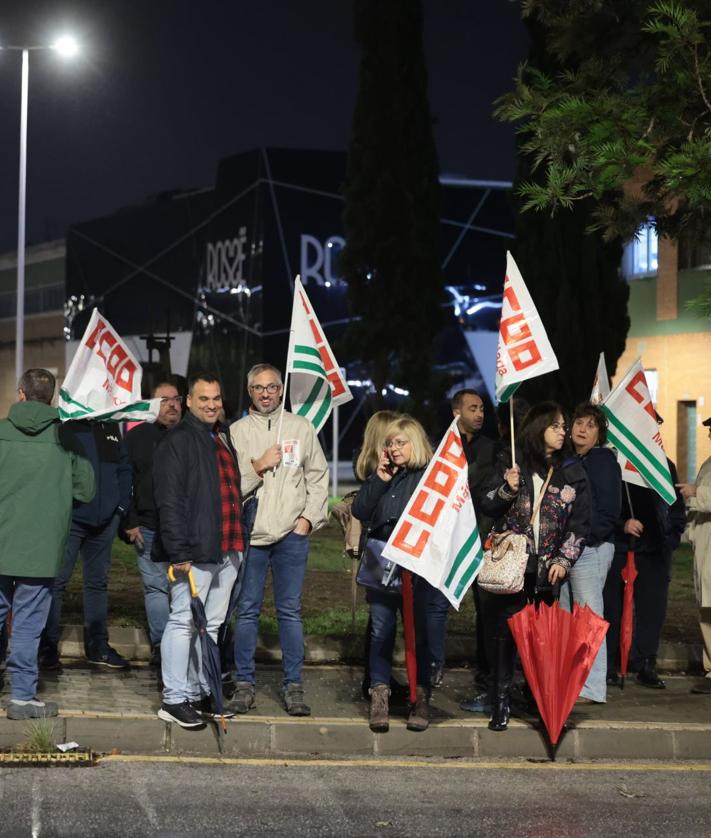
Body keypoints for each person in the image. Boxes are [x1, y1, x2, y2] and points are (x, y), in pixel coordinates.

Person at [478, 402, 591, 731]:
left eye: (563, 427)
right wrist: (507, 488)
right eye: (555, 426)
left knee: (541, 639)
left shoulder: (572, 470)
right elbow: (487, 503)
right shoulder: (510, 463)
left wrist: (563, 559)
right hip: (514, 567)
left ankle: (538, 699)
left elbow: (581, 523)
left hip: (547, 571)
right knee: (504, 635)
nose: (563, 432)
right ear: (538, 428)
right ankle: (500, 702)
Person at [229, 363, 329, 717]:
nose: (266, 393)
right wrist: (256, 466)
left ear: (281, 391)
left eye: (272, 387)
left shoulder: (300, 428)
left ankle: (293, 686)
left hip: (291, 536)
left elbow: (318, 478)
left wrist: (308, 520)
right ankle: (244, 684)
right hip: (251, 537)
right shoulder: (237, 432)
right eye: (258, 388)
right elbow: (228, 488)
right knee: (247, 612)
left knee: (289, 611)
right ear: (250, 392)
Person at [0, 369, 95, 719]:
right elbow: (86, 490)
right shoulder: (67, 438)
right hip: (41, 549)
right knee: (27, 623)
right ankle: (22, 698)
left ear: (21, 394)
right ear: (52, 398)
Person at [153, 373, 244, 729]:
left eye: (216, 398)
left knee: (211, 625)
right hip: (195, 551)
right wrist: (178, 552)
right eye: (204, 398)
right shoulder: (178, 440)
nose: (211, 404)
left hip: (227, 548)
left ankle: (195, 691)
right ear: (188, 401)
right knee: (183, 620)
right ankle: (173, 699)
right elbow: (169, 501)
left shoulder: (221, 436)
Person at [352, 415, 437, 733]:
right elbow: (360, 510)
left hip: (416, 559)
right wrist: (379, 478)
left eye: (400, 442)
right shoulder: (384, 472)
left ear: (415, 443)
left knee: (419, 631)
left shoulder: (429, 475)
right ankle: (380, 696)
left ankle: (421, 696)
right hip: (380, 553)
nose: (393, 447)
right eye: (389, 442)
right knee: (380, 629)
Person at [41, 412, 133, 670]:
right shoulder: (65, 426)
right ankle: (47, 648)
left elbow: (124, 467)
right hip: (71, 520)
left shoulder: (110, 426)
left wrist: (120, 509)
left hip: (105, 521)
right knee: (57, 583)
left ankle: (98, 647)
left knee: (97, 584)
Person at [604, 414, 686, 689]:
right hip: (620, 547)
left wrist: (672, 537)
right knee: (612, 609)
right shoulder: (615, 465)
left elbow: (674, 507)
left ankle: (644, 662)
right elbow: (603, 507)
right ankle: (613, 664)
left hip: (655, 550)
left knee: (652, 611)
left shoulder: (664, 465)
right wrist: (622, 524)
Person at [559, 403, 621, 703]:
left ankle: (593, 688)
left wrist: (584, 540)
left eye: (590, 425)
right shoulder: (571, 460)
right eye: (578, 423)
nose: (582, 429)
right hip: (570, 550)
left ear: (599, 433)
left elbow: (609, 510)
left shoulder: (602, 460)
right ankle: (573, 681)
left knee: (588, 619)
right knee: (568, 618)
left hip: (589, 549)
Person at [124, 381, 182, 662]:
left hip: (183, 529)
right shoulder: (137, 438)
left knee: (183, 588)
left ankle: (182, 643)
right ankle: (162, 645)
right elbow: (126, 481)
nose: (172, 404)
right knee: (156, 587)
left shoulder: (190, 436)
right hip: (147, 526)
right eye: (164, 400)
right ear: (151, 404)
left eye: (176, 399)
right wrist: (130, 521)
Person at [679, 416, 711, 694]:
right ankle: (710, 669)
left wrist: (696, 492)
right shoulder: (707, 464)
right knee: (706, 609)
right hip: (703, 546)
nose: (710, 433)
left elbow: (705, 497)